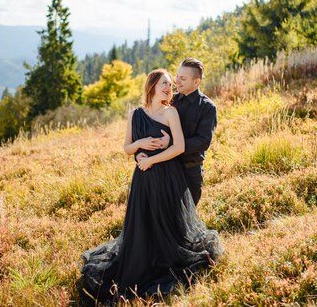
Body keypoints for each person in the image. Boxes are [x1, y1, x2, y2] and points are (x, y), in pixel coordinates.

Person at [80, 69, 222, 304]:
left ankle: (165, 264)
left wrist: (151, 160)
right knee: (143, 225)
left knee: (166, 223)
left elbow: (177, 148)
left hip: (167, 175)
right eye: (164, 83)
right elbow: (126, 148)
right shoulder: (135, 114)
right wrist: (140, 144)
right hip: (143, 179)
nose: (169, 87)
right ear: (152, 85)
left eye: (170, 83)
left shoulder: (171, 112)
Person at [136, 58, 217, 205]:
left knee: (186, 221)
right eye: (177, 76)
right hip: (164, 170)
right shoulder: (169, 100)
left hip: (189, 171)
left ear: (196, 82)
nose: (177, 81)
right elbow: (150, 126)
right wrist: (138, 153)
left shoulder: (207, 107)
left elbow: (203, 141)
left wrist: (171, 143)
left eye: (183, 78)